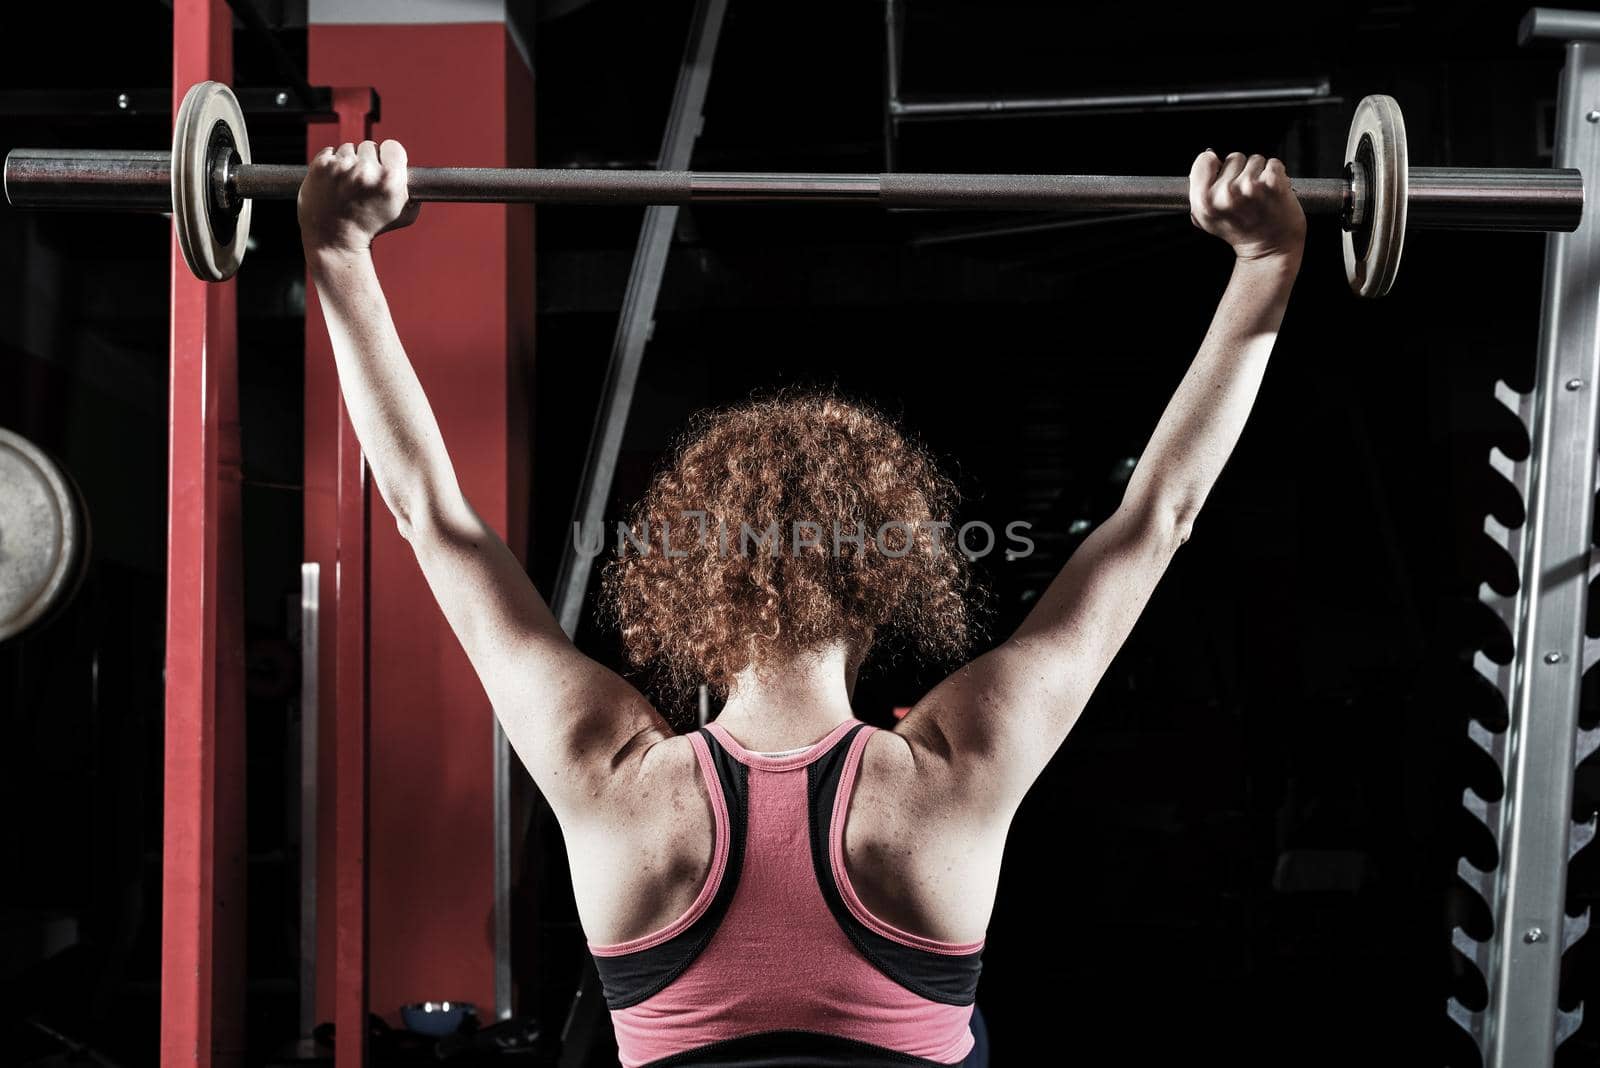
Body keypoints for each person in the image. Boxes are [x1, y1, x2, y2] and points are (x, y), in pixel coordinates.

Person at [297, 139, 1304, 1067]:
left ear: (688, 589)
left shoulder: (612, 779)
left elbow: (428, 515)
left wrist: (338, 248)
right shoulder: (955, 773)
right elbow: (1155, 519)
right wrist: (1264, 264)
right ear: (882, 585)